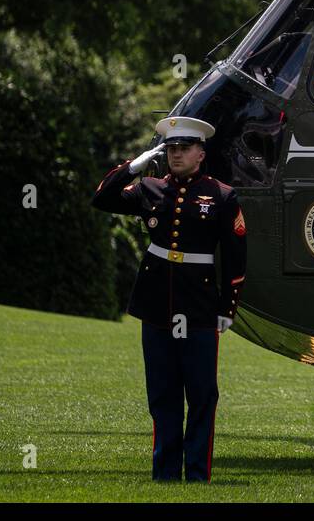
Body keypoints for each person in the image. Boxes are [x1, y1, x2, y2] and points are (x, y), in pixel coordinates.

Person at [91, 115, 247, 481]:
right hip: (157, 302)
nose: (176, 154)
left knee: (202, 393)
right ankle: (163, 471)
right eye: (171, 148)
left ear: (200, 154)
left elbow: (237, 256)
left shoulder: (222, 196)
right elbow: (102, 198)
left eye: (184, 148)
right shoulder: (149, 189)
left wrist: (228, 307)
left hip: (200, 307)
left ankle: (196, 471)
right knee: (162, 394)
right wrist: (134, 167)